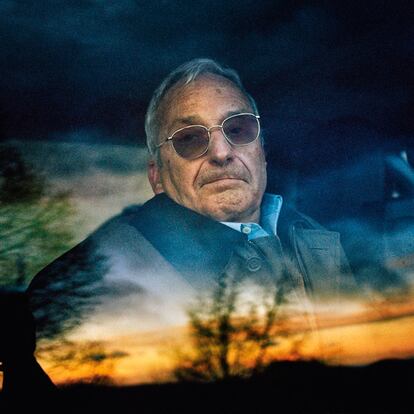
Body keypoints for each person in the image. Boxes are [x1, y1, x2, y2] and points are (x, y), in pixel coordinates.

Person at [25, 58, 355, 388]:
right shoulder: (96, 280)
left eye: (238, 129)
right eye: (190, 139)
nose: (222, 152)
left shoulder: (318, 236)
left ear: (262, 151)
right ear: (157, 176)